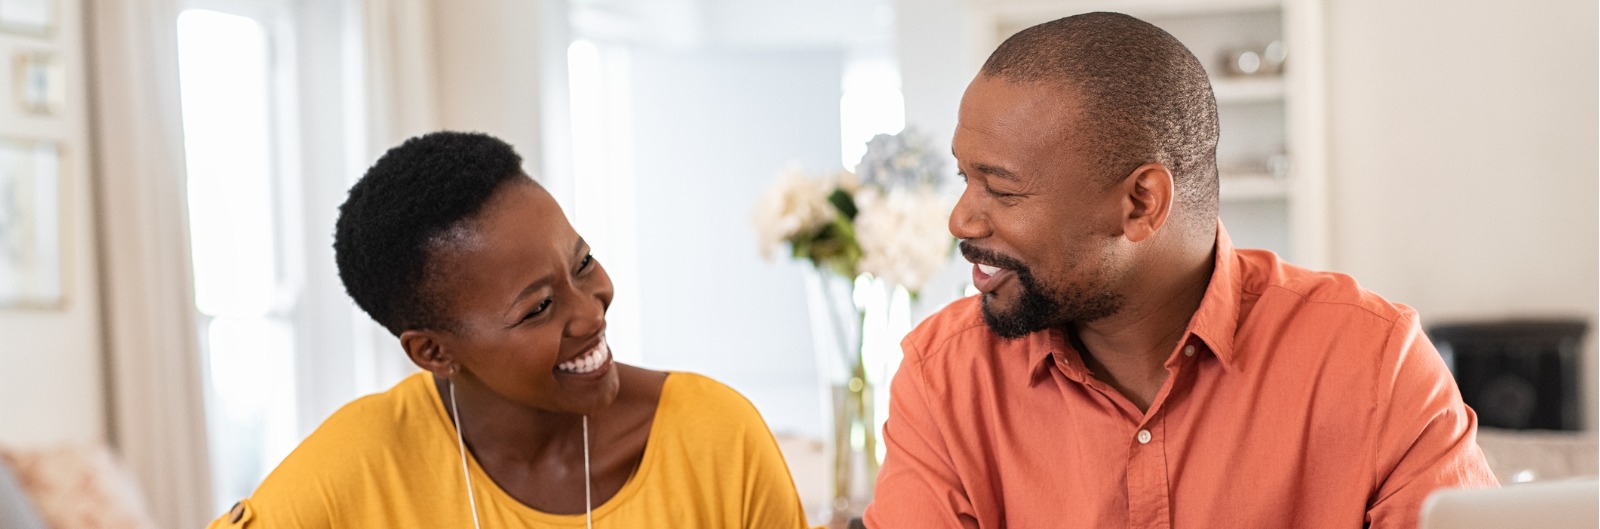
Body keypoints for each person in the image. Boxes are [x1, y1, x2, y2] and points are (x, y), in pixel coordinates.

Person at [864, 12, 1496, 529]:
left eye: (1000, 191)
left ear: (1141, 203)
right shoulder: (943, 377)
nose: (961, 221)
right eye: (964, 178)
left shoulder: (1371, 362)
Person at [207, 131, 810, 528]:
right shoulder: (358, 467)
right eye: (539, 308)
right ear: (434, 351)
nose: (592, 311)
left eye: (582, 264)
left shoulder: (717, 441)